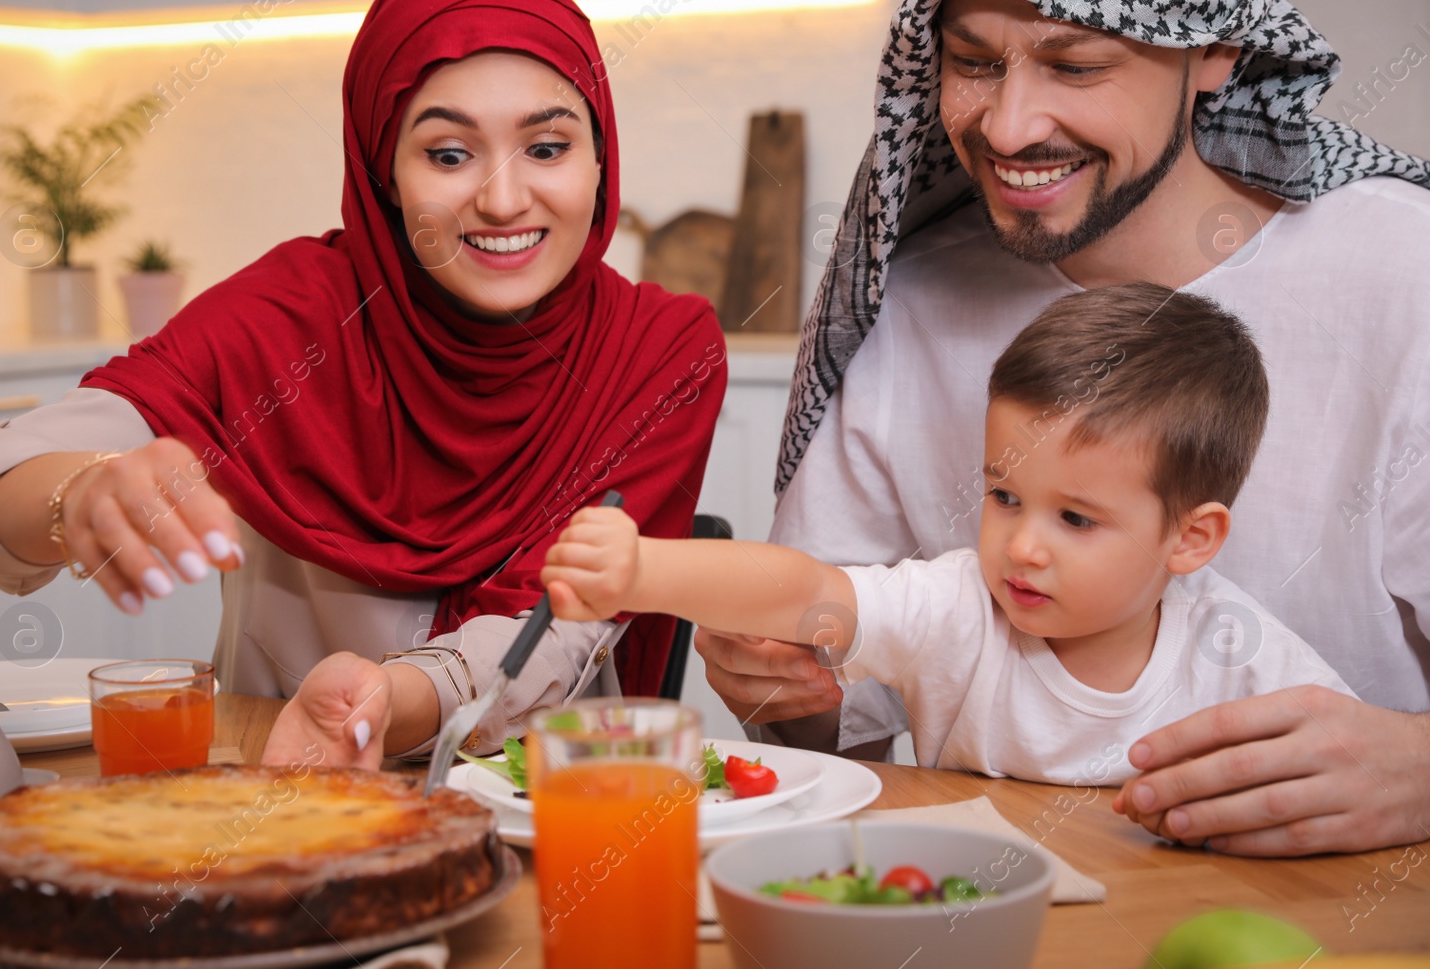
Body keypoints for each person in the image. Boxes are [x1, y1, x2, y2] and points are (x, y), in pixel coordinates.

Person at [702, 0, 1430, 855]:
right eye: (973, 62)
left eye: (1077, 65)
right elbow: (840, 733)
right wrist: (781, 691)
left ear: (1213, 47)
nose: (1007, 126)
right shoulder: (902, 300)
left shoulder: (1402, 273)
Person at [0, 0, 727, 768]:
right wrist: (77, 491)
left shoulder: (658, 348)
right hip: (283, 805)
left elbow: (560, 622)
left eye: (547, 146)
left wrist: (383, 700)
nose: (505, 200)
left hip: (551, 811)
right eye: (448, 155)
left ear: (599, 160)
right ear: (384, 173)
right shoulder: (289, 314)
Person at [546, 284, 1355, 790]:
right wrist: (642, 571)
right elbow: (805, 590)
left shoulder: (1245, 654)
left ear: (1191, 538)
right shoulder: (956, 606)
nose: (1023, 546)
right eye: (1005, 495)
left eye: (1075, 518)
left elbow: (1339, 767)